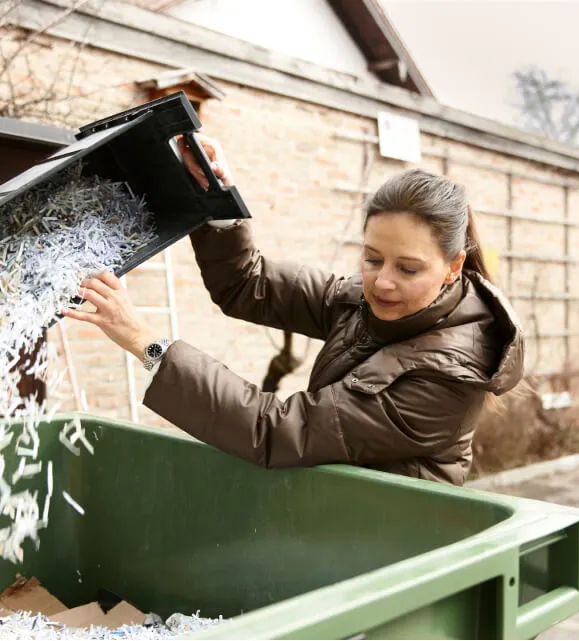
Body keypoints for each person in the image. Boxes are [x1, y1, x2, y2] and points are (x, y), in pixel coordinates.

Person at [63, 135, 524, 485]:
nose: (382, 282)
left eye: (408, 268)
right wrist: (215, 197)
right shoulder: (362, 303)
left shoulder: (448, 377)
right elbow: (247, 284)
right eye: (372, 258)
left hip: (397, 554)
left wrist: (147, 345)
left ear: (453, 267)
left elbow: (276, 430)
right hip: (338, 522)